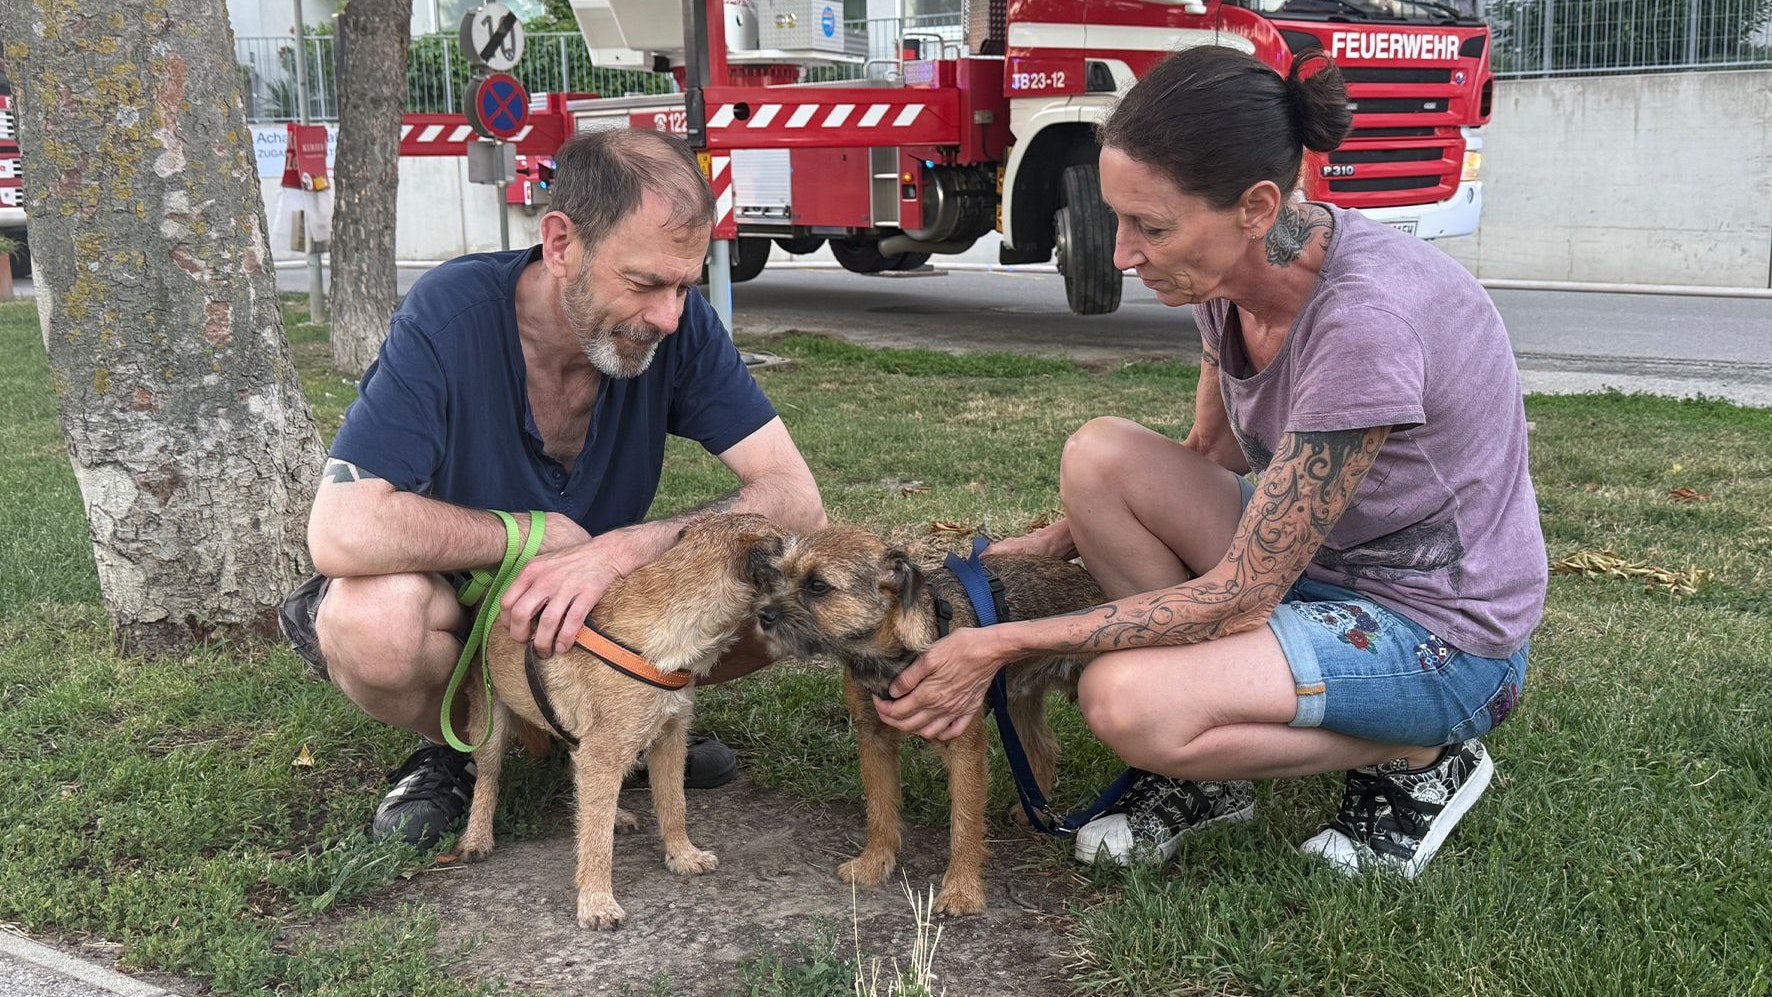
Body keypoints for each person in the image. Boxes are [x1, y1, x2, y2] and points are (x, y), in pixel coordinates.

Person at [873, 46, 1546, 878]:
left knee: (1124, 702)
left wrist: (1000, 642)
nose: (1123, 253)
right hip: (1318, 571)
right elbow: (1206, 458)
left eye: (1151, 227)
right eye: (1121, 218)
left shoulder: (1365, 323)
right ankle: (1216, 769)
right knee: (1100, 459)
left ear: (1258, 206)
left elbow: (1239, 594)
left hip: (1445, 635)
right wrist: (1055, 540)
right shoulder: (1228, 283)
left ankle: (1423, 757)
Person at [279, 128, 826, 848]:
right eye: (644, 282)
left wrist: (621, 550)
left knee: (775, 595)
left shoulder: (677, 327)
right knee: (371, 622)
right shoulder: (450, 316)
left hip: (598, 607)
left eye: (684, 285)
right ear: (561, 243)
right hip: (472, 611)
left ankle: (626, 716)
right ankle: (467, 746)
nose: (668, 315)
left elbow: (796, 498)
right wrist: (532, 534)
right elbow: (340, 528)